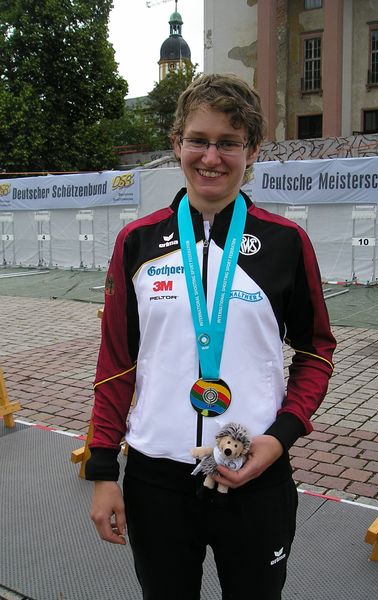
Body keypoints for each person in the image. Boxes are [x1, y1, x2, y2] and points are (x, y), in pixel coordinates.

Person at [86, 73, 336, 599]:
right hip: (157, 478)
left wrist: (280, 438)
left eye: (229, 143)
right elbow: (116, 363)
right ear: (177, 143)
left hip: (255, 469)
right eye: (198, 140)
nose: (211, 157)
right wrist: (104, 470)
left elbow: (316, 352)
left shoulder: (286, 242)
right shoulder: (137, 242)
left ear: (253, 149)